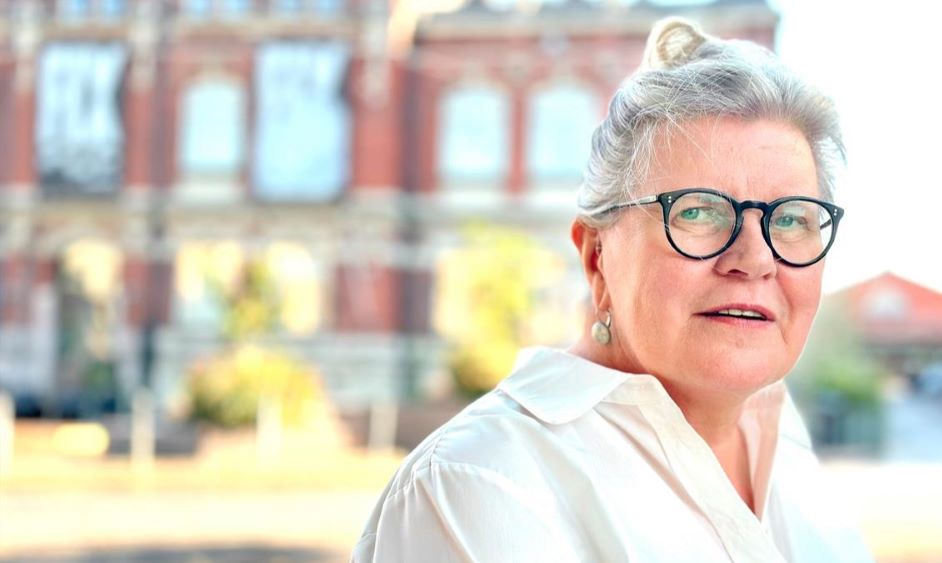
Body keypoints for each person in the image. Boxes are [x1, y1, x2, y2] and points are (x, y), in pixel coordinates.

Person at [352, 17, 872, 563]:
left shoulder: (782, 440)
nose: (755, 259)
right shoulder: (480, 484)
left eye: (790, 219)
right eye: (698, 212)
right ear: (596, 258)